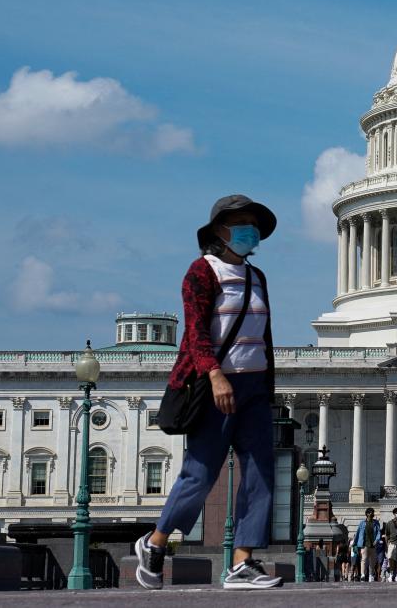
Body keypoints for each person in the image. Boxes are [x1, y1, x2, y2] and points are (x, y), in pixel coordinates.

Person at [134, 195, 283, 591]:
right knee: (201, 473)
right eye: (241, 222)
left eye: (253, 223)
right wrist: (215, 374)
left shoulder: (257, 276)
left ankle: (242, 562)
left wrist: (267, 390)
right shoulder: (200, 272)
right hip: (214, 383)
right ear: (220, 229)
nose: (250, 229)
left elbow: (262, 337)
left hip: (253, 386)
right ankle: (156, 541)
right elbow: (196, 331)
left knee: (260, 473)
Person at [352, 507, 380, 581]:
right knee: (364, 559)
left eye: (373, 512)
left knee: (372, 561)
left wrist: (376, 540)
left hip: (373, 545)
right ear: (367, 514)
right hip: (364, 544)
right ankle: (363, 575)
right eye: (371, 512)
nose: (373, 514)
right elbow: (358, 533)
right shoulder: (362, 523)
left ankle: (371, 575)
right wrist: (355, 543)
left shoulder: (376, 523)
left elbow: (378, 533)